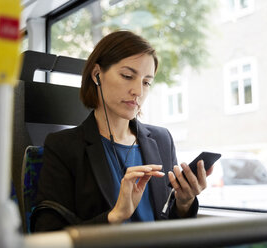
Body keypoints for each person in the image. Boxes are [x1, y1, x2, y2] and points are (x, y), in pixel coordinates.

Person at [31, 30, 213, 232]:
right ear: (97, 74)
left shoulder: (162, 140)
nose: (138, 91)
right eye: (127, 76)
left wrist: (184, 203)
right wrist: (114, 216)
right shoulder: (64, 146)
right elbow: (47, 233)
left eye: (146, 82)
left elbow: (170, 225)